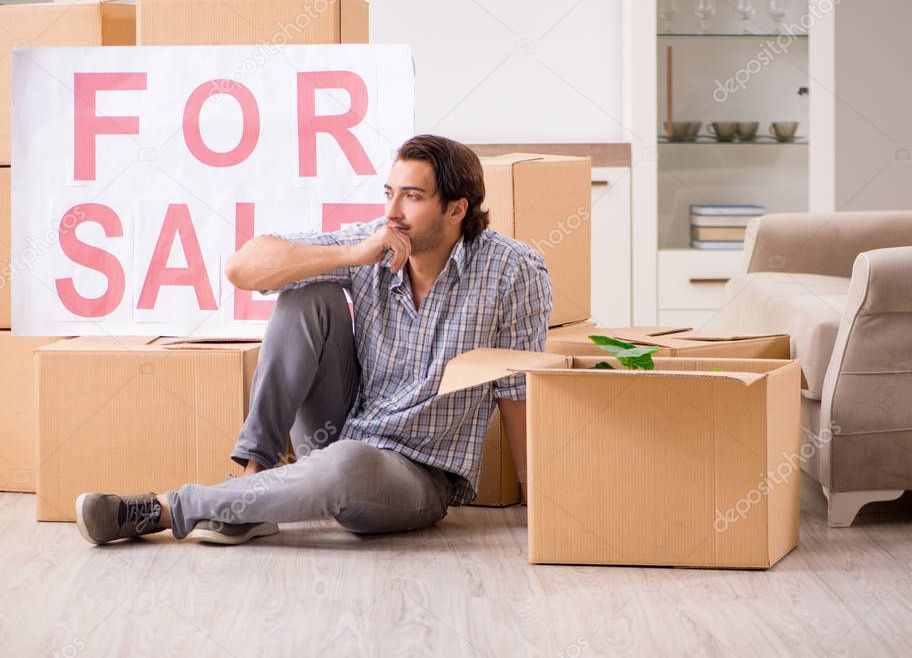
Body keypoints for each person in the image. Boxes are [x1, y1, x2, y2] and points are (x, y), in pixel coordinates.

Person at [74, 134, 553, 546]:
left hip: (416, 474)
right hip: (345, 426)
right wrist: (352, 253)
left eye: (412, 197)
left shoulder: (513, 272)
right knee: (307, 297)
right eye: (389, 193)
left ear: (456, 209)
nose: (392, 212)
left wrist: (545, 512)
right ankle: (253, 482)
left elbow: (518, 397)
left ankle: (164, 509)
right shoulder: (375, 243)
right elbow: (242, 268)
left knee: (345, 464)